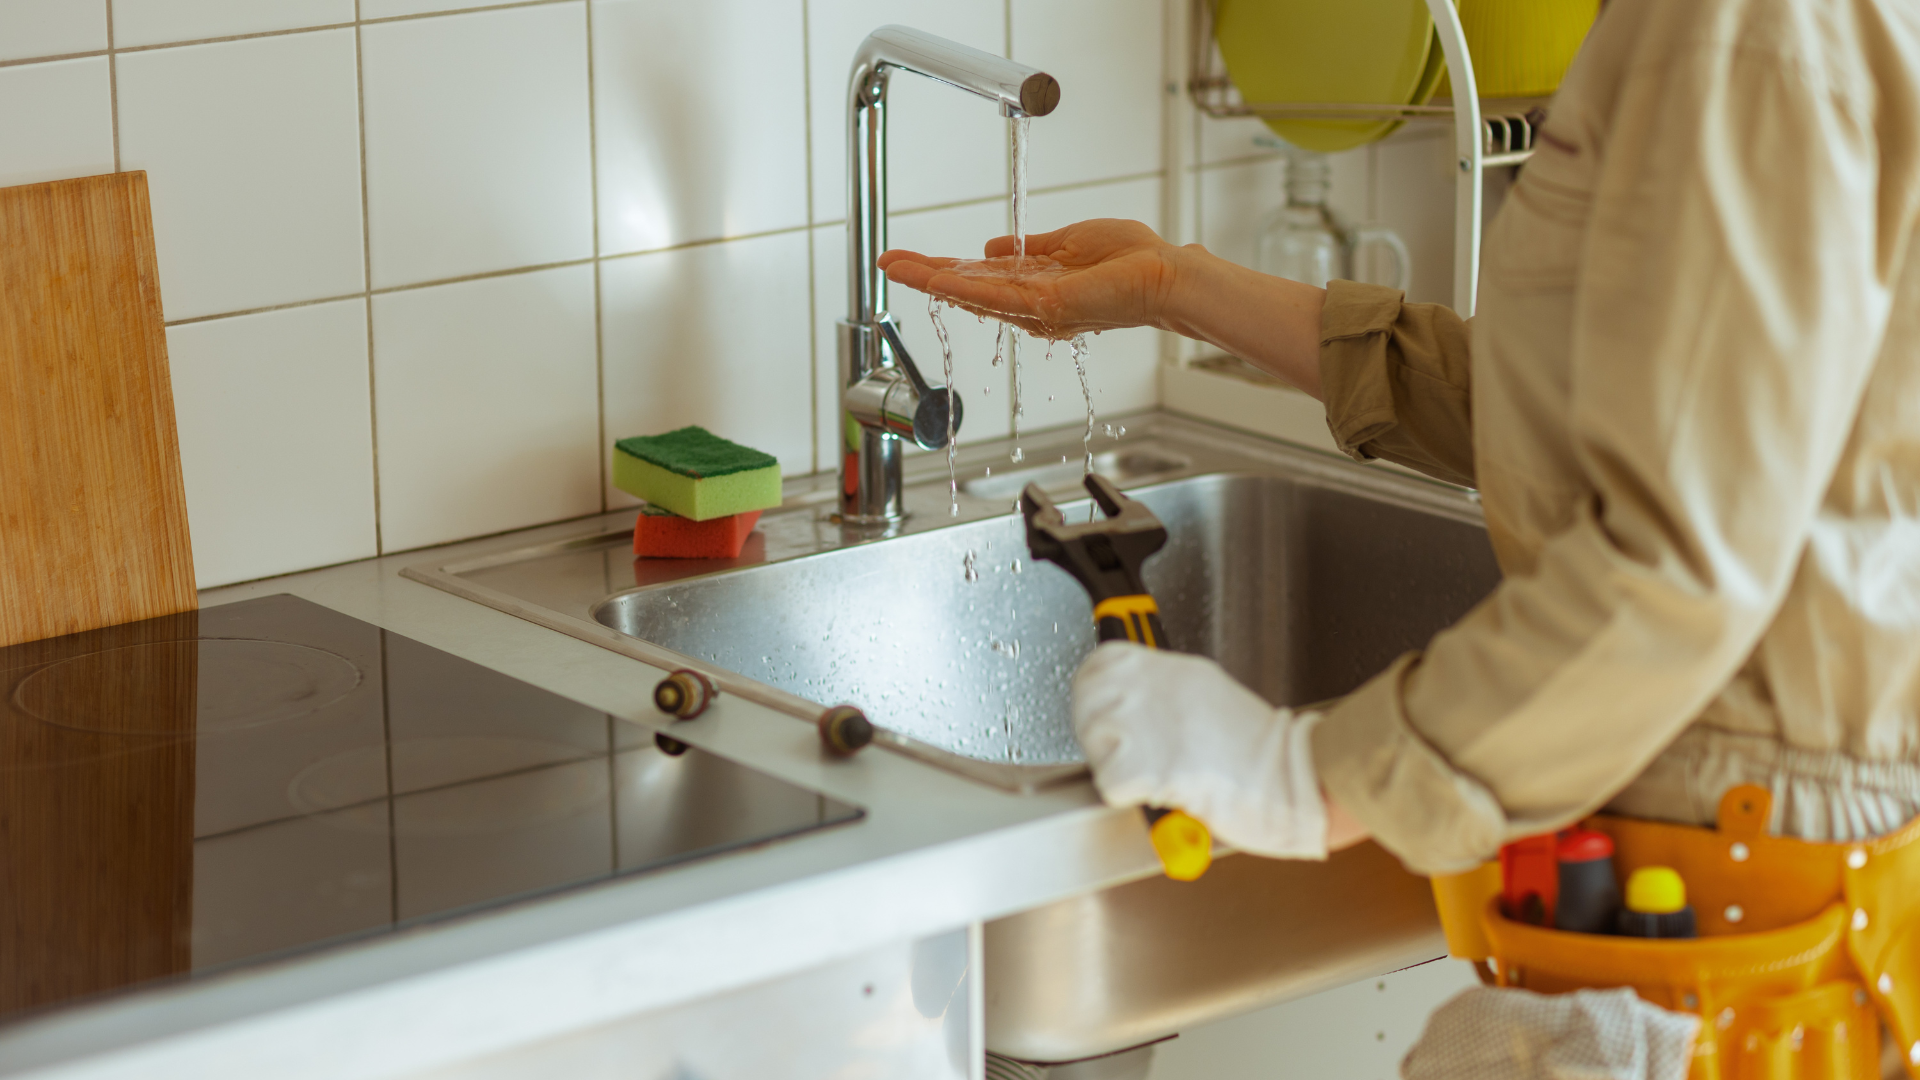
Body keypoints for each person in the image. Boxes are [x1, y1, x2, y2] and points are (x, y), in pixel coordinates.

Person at [884, 0, 1920, 1075]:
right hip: (1716, 841)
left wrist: (1301, 777)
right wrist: (1175, 287)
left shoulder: (1739, 30)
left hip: (1739, 877)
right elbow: (1577, 412)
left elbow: (1673, 562)